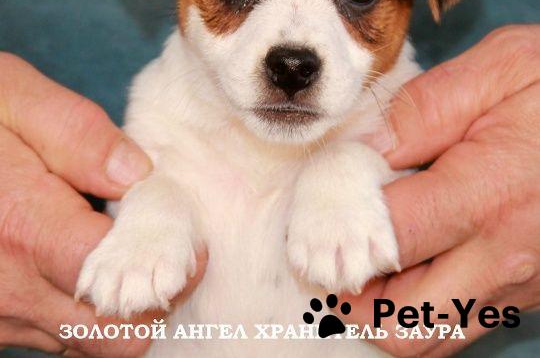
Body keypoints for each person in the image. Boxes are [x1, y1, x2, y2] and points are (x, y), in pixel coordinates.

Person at [0, 24, 538, 356]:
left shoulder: (391, 99)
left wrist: (349, 169)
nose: (293, 48)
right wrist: (153, 208)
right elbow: (145, 199)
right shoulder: (164, 105)